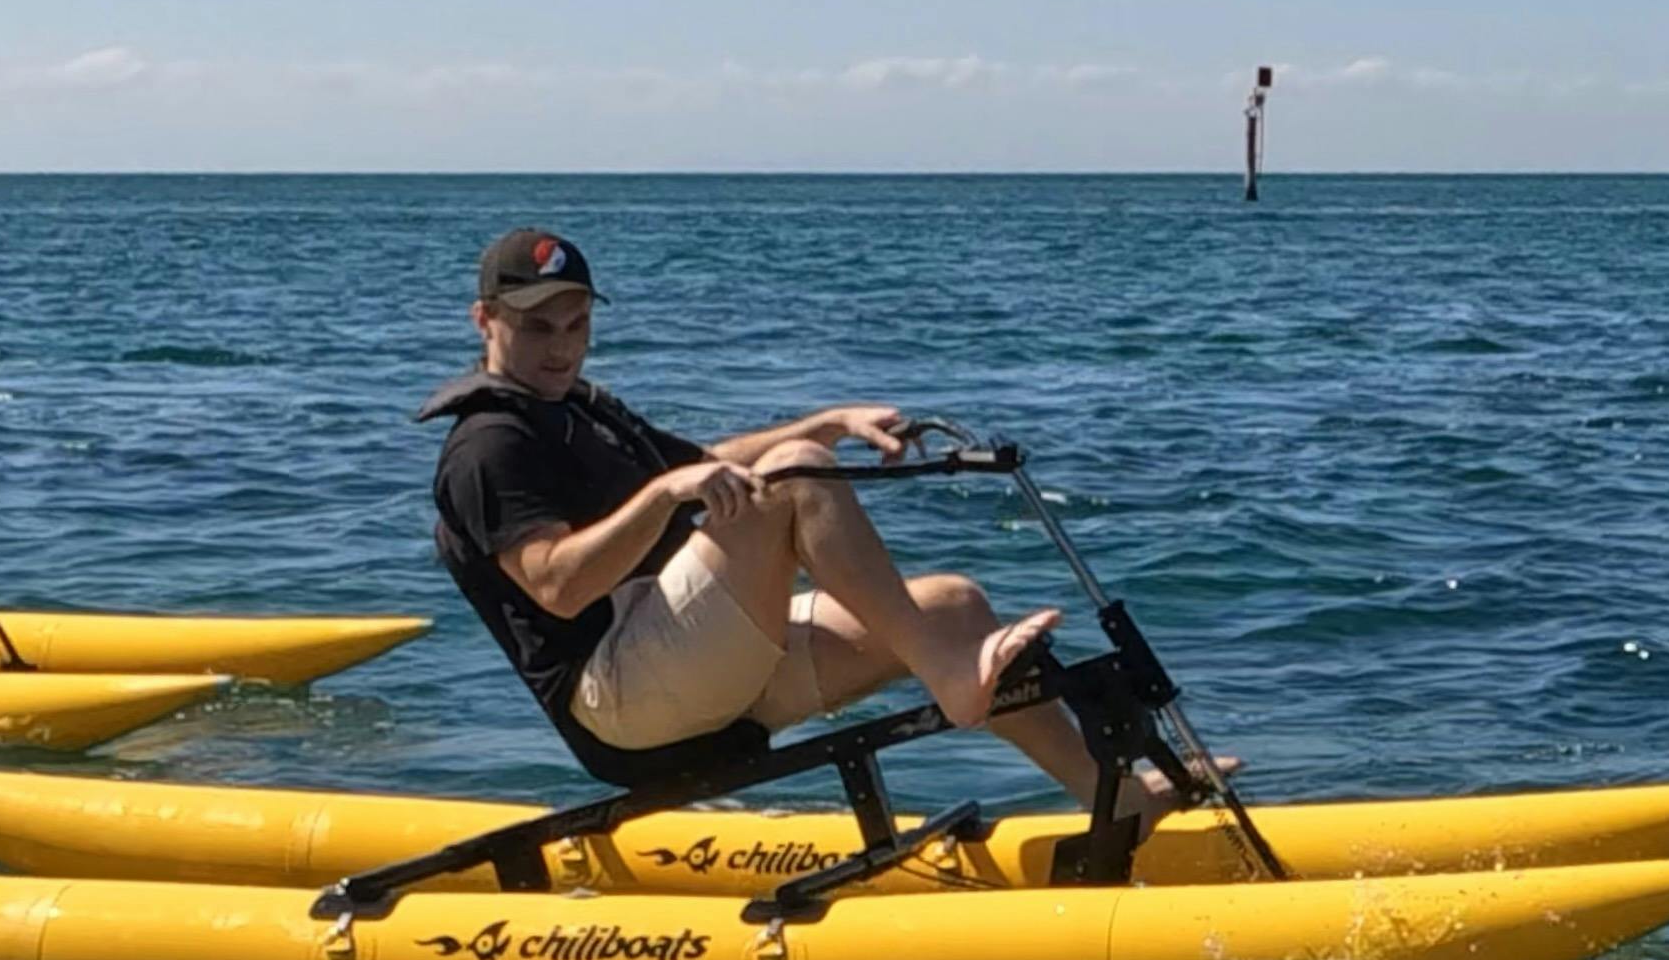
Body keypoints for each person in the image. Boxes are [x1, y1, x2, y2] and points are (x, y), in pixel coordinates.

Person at [423, 226, 1180, 819]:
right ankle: (952, 680)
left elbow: (714, 463)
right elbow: (555, 585)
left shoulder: (582, 407)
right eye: (537, 329)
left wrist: (833, 423)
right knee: (792, 477)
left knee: (955, 606)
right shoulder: (490, 445)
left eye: (575, 325)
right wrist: (663, 496)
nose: (561, 348)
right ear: (484, 320)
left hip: (689, 664)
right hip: (620, 700)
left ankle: (1120, 803)